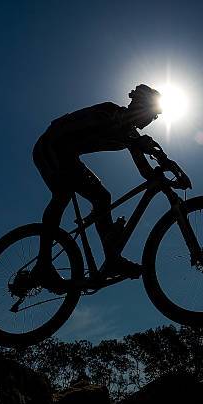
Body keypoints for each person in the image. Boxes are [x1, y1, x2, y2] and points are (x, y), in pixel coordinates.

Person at [31, 84, 166, 293]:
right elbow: (103, 127)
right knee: (63, 193)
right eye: (153, 114)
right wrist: (137, 142)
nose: (153, 120)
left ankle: (112, 259)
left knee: (102, 197)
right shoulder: (110, 111)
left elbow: (145, 171)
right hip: (51, 145)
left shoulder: (130, 133)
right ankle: (43, 266)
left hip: (69, 156)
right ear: (140, 106)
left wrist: (163, 169)